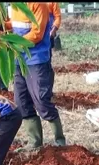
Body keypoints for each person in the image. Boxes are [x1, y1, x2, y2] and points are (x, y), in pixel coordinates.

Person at [6, 2, 66, 149]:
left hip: (36, 58)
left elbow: (37, 33)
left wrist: (16, 43)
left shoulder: (38, 5)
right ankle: (34, 142)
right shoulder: (15, 6)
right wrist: (3, 26)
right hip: (19, 59)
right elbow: (14, 25)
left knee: (41, 100)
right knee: (21, 101)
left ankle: (59, 140)